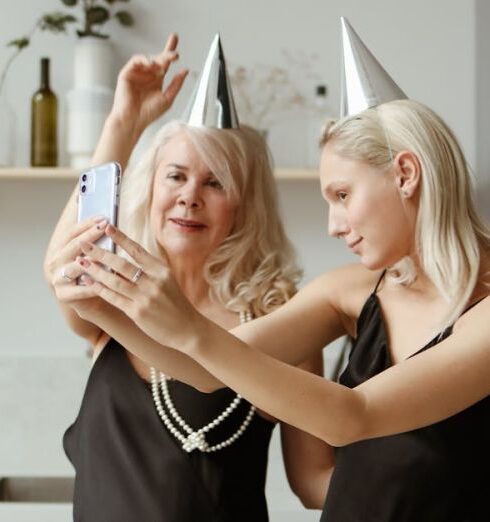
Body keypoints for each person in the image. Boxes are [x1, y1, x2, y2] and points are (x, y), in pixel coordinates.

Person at [73, 20, 490, 522]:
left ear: (405, 174)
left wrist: (187, 328)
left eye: (342, 195)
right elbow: (208, 375)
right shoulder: (349, 292)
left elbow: (351, 417)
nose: (335, 226)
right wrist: (108, 304)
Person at [44, 34, 332, 521]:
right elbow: (67, 262)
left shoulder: (281, 322)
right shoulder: (110, 301)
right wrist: (124, 121)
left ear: (245, 205)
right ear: (150, 189)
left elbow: (314, 483)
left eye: (215, 182)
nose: (189, 196)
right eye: (175, 176)